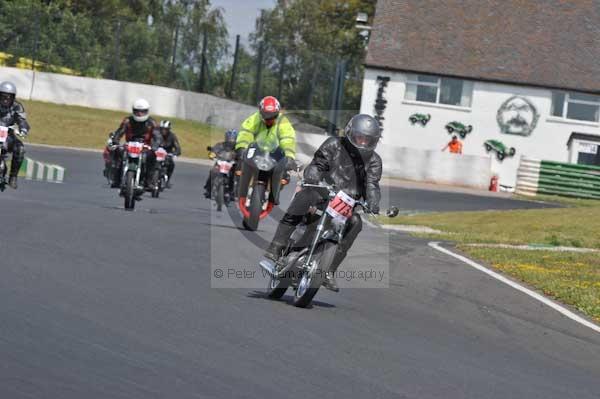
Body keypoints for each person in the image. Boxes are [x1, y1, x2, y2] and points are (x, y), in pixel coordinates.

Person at [264, 114, 383, 292]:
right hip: (321, 192)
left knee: (356, 223)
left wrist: (373, 202)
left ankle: (329, 270)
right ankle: (276, 246)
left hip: (345, 204)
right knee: (304, 197)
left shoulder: (374, 161)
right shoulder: (334, 144)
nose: (363, 143)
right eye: (360, 138)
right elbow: (318, 164)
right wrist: (313, 176)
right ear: (350, 133)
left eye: (368, 140)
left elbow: (372, 184)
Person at [234, 96, 297, 203]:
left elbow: (288, 139)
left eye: (273, 116)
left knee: (285, 174)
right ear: (260, 112)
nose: (269, 119)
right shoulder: (255, 118)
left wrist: (289, 157)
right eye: (266, 116)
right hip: (256, 151)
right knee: (240, 164)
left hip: (275, 153)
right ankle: (239, 190)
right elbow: (246, 132)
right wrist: (242, 147)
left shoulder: (283, 122)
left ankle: (274, 195)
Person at [109, 99, 158, 188]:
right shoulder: (127, 121)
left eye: (142, 112)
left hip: (145, 147)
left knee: (152, 156)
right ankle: (116, 178)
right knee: (118, 152)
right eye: (137, 111)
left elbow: (158, 136)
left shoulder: (152, 122)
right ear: (133, 111)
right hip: (130, 144)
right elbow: (120, 132)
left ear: (147, 111)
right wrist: (115, 141)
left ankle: (149, 180)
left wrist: (155, 146)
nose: (139, 114)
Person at [0, 81, 29, 189]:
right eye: (3, 97)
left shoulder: (17, 106)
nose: (5, 100)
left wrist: (23, 129)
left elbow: (22, 120)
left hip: (8, 136)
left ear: (13, 97)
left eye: (8, 97)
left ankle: (13, 176)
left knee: (20, 148)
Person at [204, 129, 238, 198]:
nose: (231, 139)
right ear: (226, 137)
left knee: (236, 175)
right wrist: (212, 154)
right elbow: (214, 151)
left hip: (232, 164)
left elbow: (242, 154)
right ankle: (208, 188)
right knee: (212, 171)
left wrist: (240, 158)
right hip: (220, 162)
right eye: (229, 137)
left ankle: (232, 191)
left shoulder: (237, 147)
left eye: (232, 138)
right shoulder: (220, 145)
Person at [154, 120, 181, 187]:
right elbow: (151, 143)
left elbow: (178, 148)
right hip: (156, 153)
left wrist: (175, 153)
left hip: (167, 154)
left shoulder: (172, 136)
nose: (163, 131)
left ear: (168, 129)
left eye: (165, 129)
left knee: (171, 164)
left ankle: (168, 180)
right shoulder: (156, 135)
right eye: (162, 129)